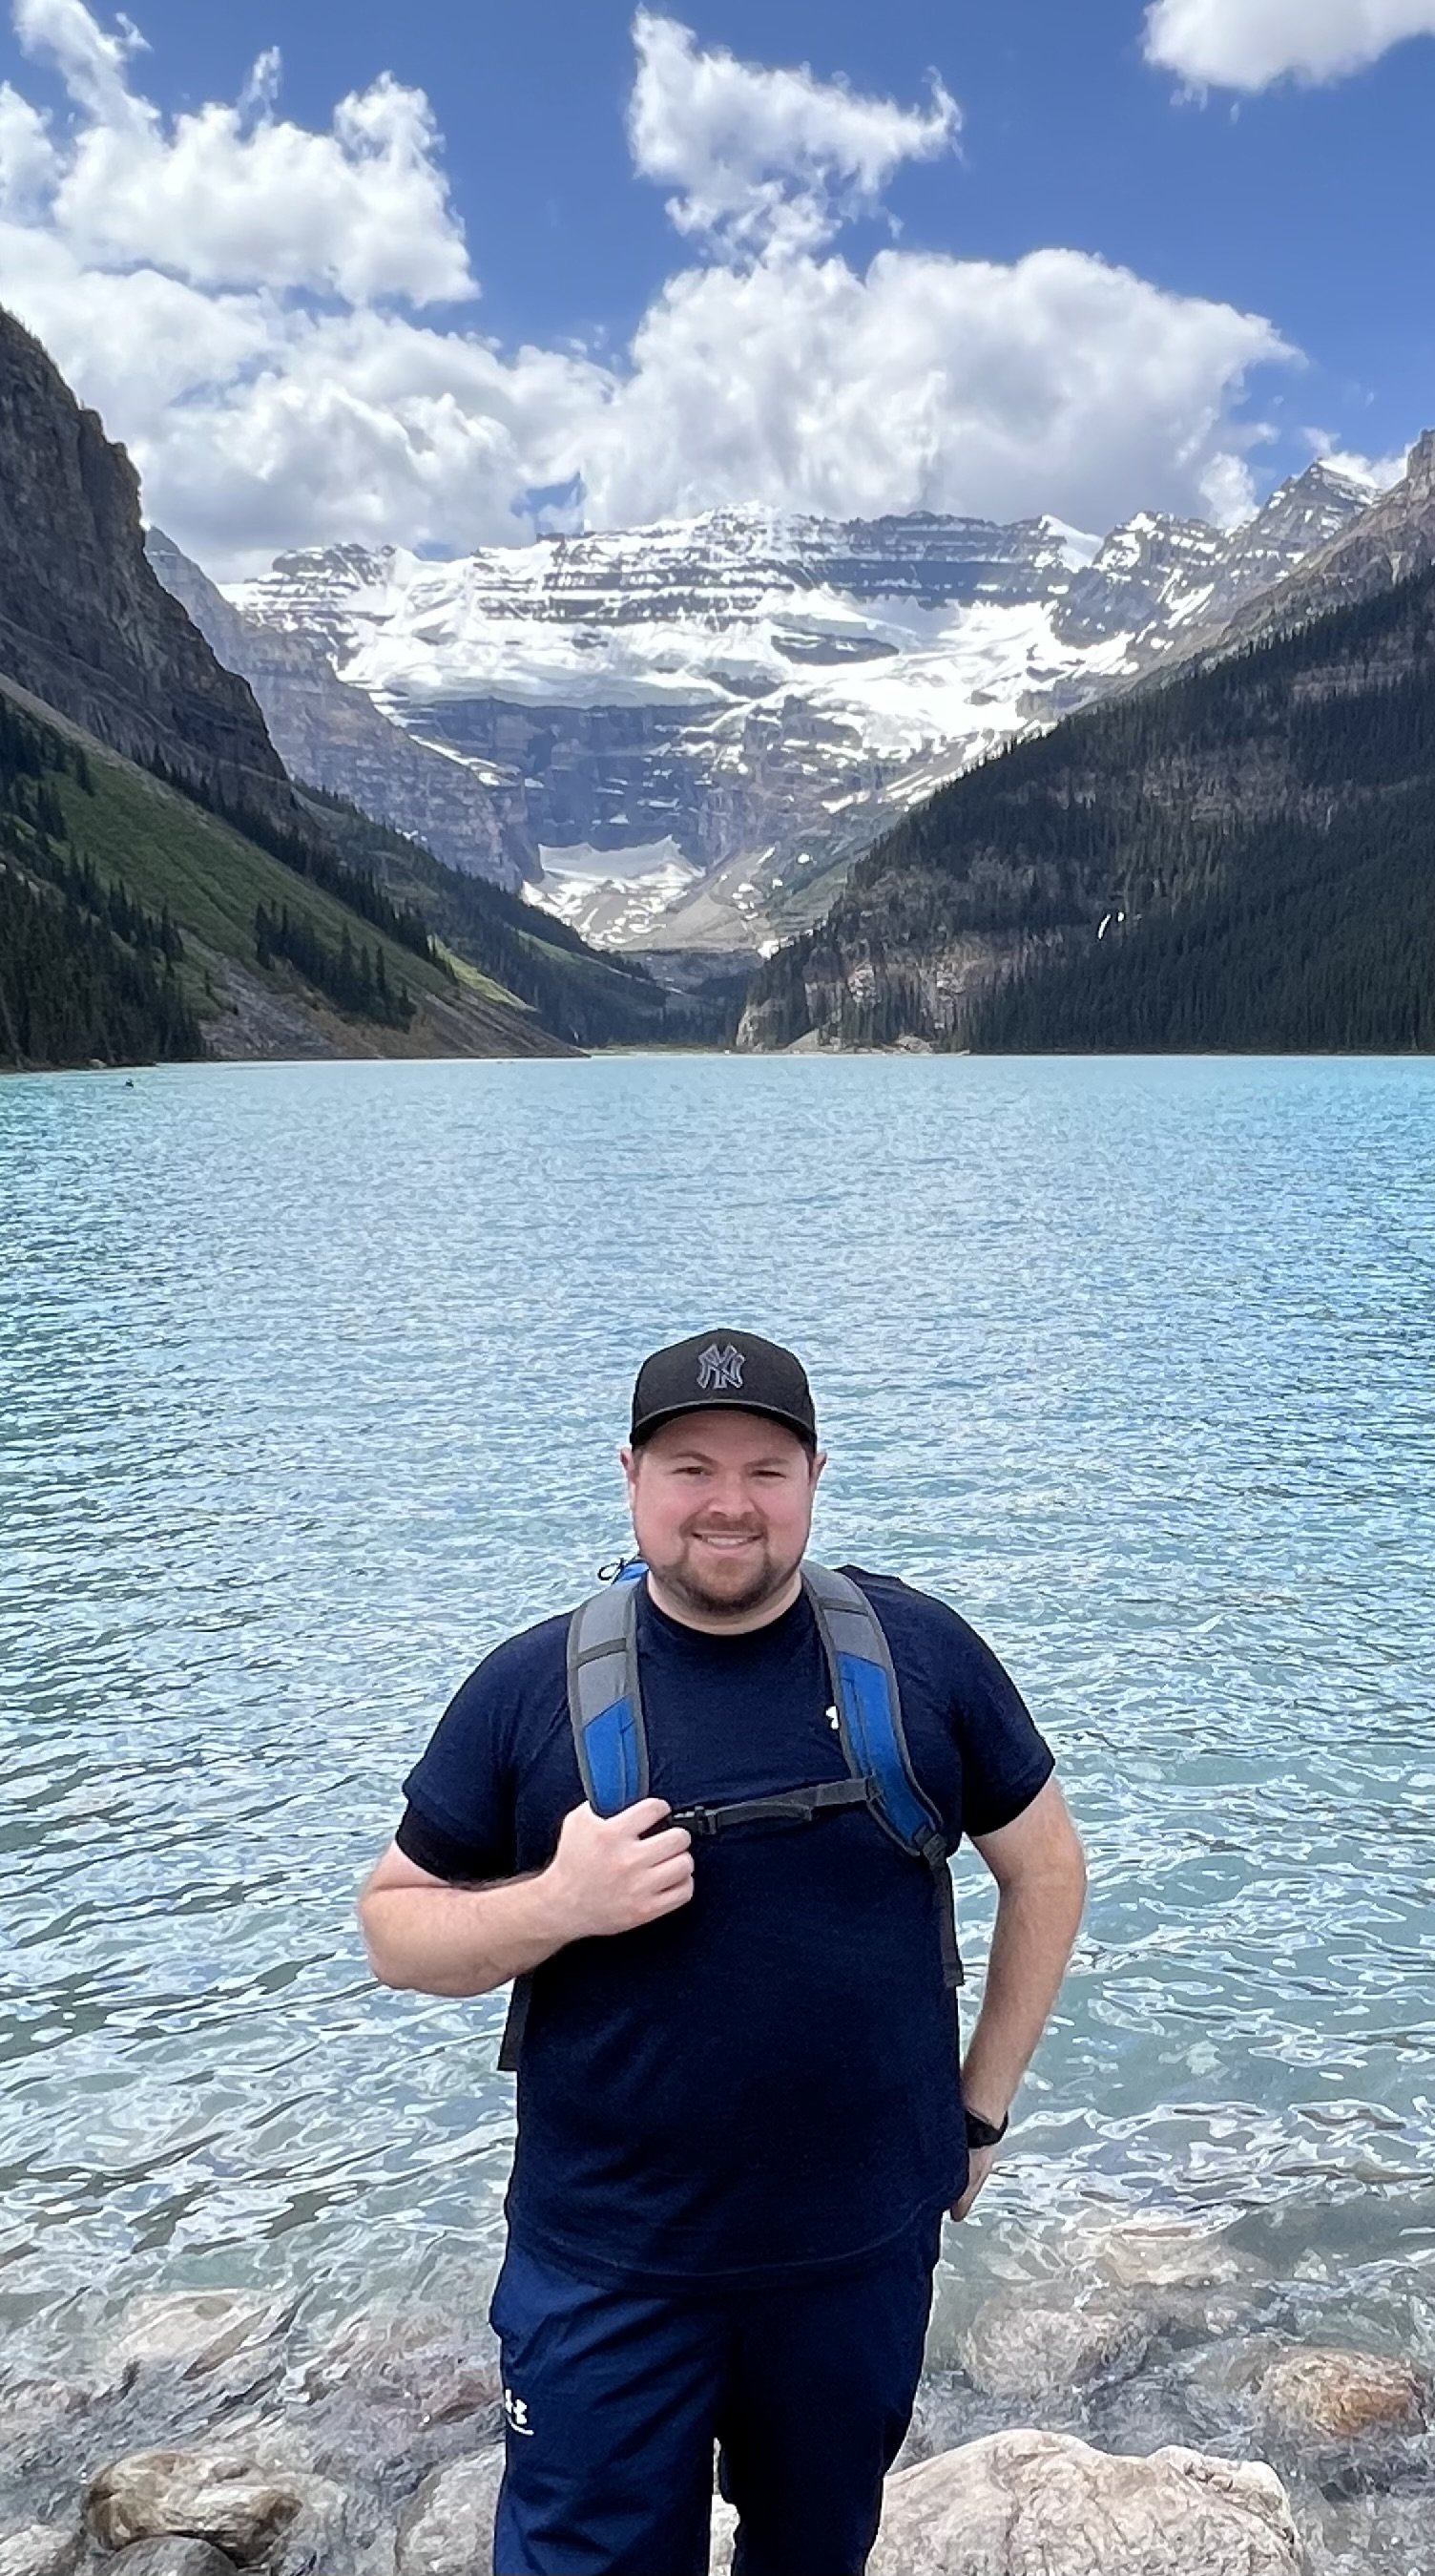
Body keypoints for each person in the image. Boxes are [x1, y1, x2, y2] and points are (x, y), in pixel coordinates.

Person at [358, 1330, 1086, 2576]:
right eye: (692, 1468)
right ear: (633, 1477)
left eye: (766, 1469)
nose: (729, 1505)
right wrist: (559, 1903)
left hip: (855, 2258)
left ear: (814, 1478)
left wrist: (980, 2111)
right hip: (608, 2269)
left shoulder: (922, 1660)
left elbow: (1048, 1869)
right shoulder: (535, 1687)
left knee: (815, 2554)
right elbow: (394, 1926)